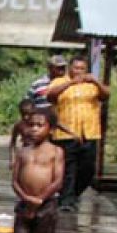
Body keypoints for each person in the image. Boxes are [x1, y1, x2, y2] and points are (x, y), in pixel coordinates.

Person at [45, 56, 110, 213]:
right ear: (70, 69)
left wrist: (95, 81)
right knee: (68, 168)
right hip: (66, 133)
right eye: (76, 68)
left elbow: (106, 95)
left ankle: (73, 195)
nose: (79, 71)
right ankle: (66, 201)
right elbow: (50, 95)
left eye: (82, 68)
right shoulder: (59, 81)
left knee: (88, 169)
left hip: (90, 132)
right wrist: (70, 83)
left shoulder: (91, 85)